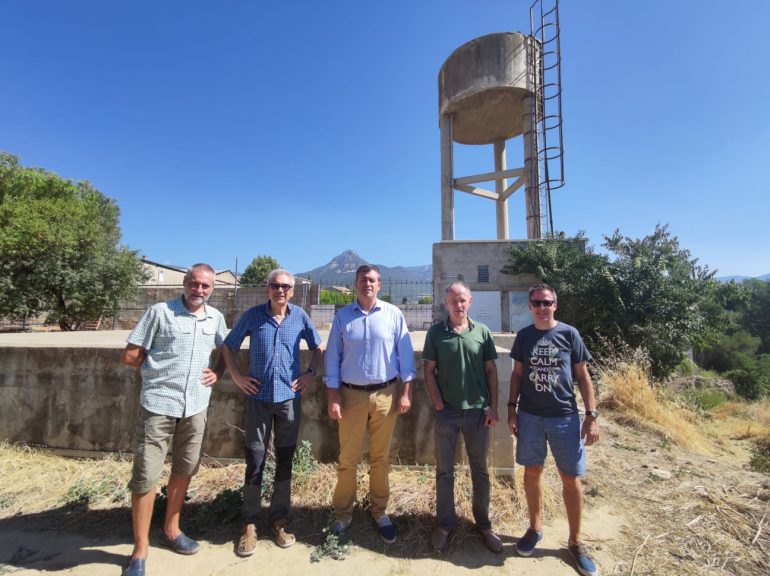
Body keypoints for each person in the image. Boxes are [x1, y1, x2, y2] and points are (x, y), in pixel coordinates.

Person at [120, 263, 228, 576]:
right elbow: (130, 354)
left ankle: (172, 529)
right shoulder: (160, 312)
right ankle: (140, 549)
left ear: (212, 289)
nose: (199, 290)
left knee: (185, 468)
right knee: (146, 475)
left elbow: (226, 349)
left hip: (195, 405)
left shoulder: (215, 318)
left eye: (206, 286)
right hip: (158, 405)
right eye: (194, 284)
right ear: (184, 283)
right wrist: (154, 368)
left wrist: (218, 371)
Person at [221, 269, 323, 556]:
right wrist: (238, 377)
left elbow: (319, 347)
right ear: (268, 289)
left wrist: (310, 374)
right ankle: (250, 523)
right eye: (275, 286)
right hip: (258, 399)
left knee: (285, 459)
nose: (280, 290)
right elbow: (228, 346)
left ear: (292, 291)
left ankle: (279, 519)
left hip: (289, 400)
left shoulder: (300, 316)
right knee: (255, 459)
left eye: (286, 287)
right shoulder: (253, 316)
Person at [507, 283, 600, 576]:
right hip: (531, 417)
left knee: (570, 478)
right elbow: (518, 375)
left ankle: (575, 542)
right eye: (536, 303)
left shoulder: (569, 334)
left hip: (565, 417)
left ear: (555, 305)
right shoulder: (524, 336)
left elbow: (583, 376)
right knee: (532, 472)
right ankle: (534, 528)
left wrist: (592, 415)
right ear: (530, 306)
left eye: (547, 302)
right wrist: (511, 408)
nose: (542, 307)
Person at [324, 264, 416, 543]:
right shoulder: (342, 317)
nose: (368, 284)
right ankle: (342, 514)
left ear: (380, 285)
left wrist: (406, 393)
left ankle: (379, 510)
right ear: (355, 284)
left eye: (373, 280)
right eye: (363, 279)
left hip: (386, 395)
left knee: (380, 458)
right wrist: (333, 397)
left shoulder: (393, 315)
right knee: (348, 458)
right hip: (350, 396)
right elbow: (332, 358)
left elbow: (406, 357)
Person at [422, 282, 502, 553]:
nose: (458, 305)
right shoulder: (436, 333)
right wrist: (438, 403)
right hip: (448, 413)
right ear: (446, 303)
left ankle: (484, 524)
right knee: (445, 471)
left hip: (478, 413)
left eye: (463, 300)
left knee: (480, 470)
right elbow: (428, 370)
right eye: (453, 301)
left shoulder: (482, 332)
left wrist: (493, 407)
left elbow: (491, 370)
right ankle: (445, 524)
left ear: (470, 302)